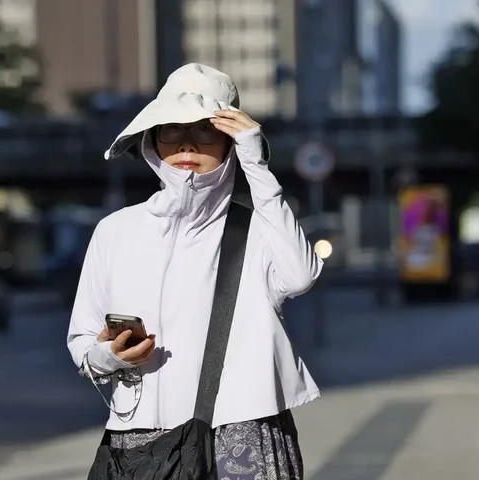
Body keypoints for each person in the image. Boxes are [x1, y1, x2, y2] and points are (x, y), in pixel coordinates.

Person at [67, 64, 322, 479]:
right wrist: (110, 355)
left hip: (244, 434)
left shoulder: (261, 227)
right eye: (171, 129)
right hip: (140, 440)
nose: (187, 143)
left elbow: (300, 277)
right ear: (152, 140)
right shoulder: (115, 231)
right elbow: (82, 341)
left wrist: (257, 167)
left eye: (206, 129)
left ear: (230, 141)